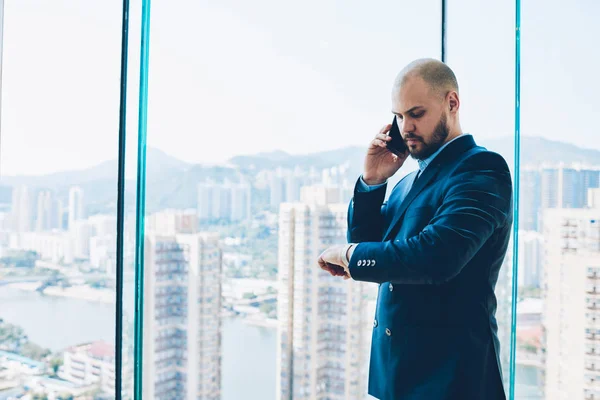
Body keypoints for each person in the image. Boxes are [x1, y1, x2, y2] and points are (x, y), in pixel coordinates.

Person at [317, 58, 512, 400]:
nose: (405, 127)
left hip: (451, 381)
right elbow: (372, 248)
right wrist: (372, 182)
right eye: (399, 115)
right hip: (395, 379)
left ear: (452, 103)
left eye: (416, 113)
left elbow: (437, 257)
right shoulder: (406, 182)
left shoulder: (482, 169)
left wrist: (348, 255)